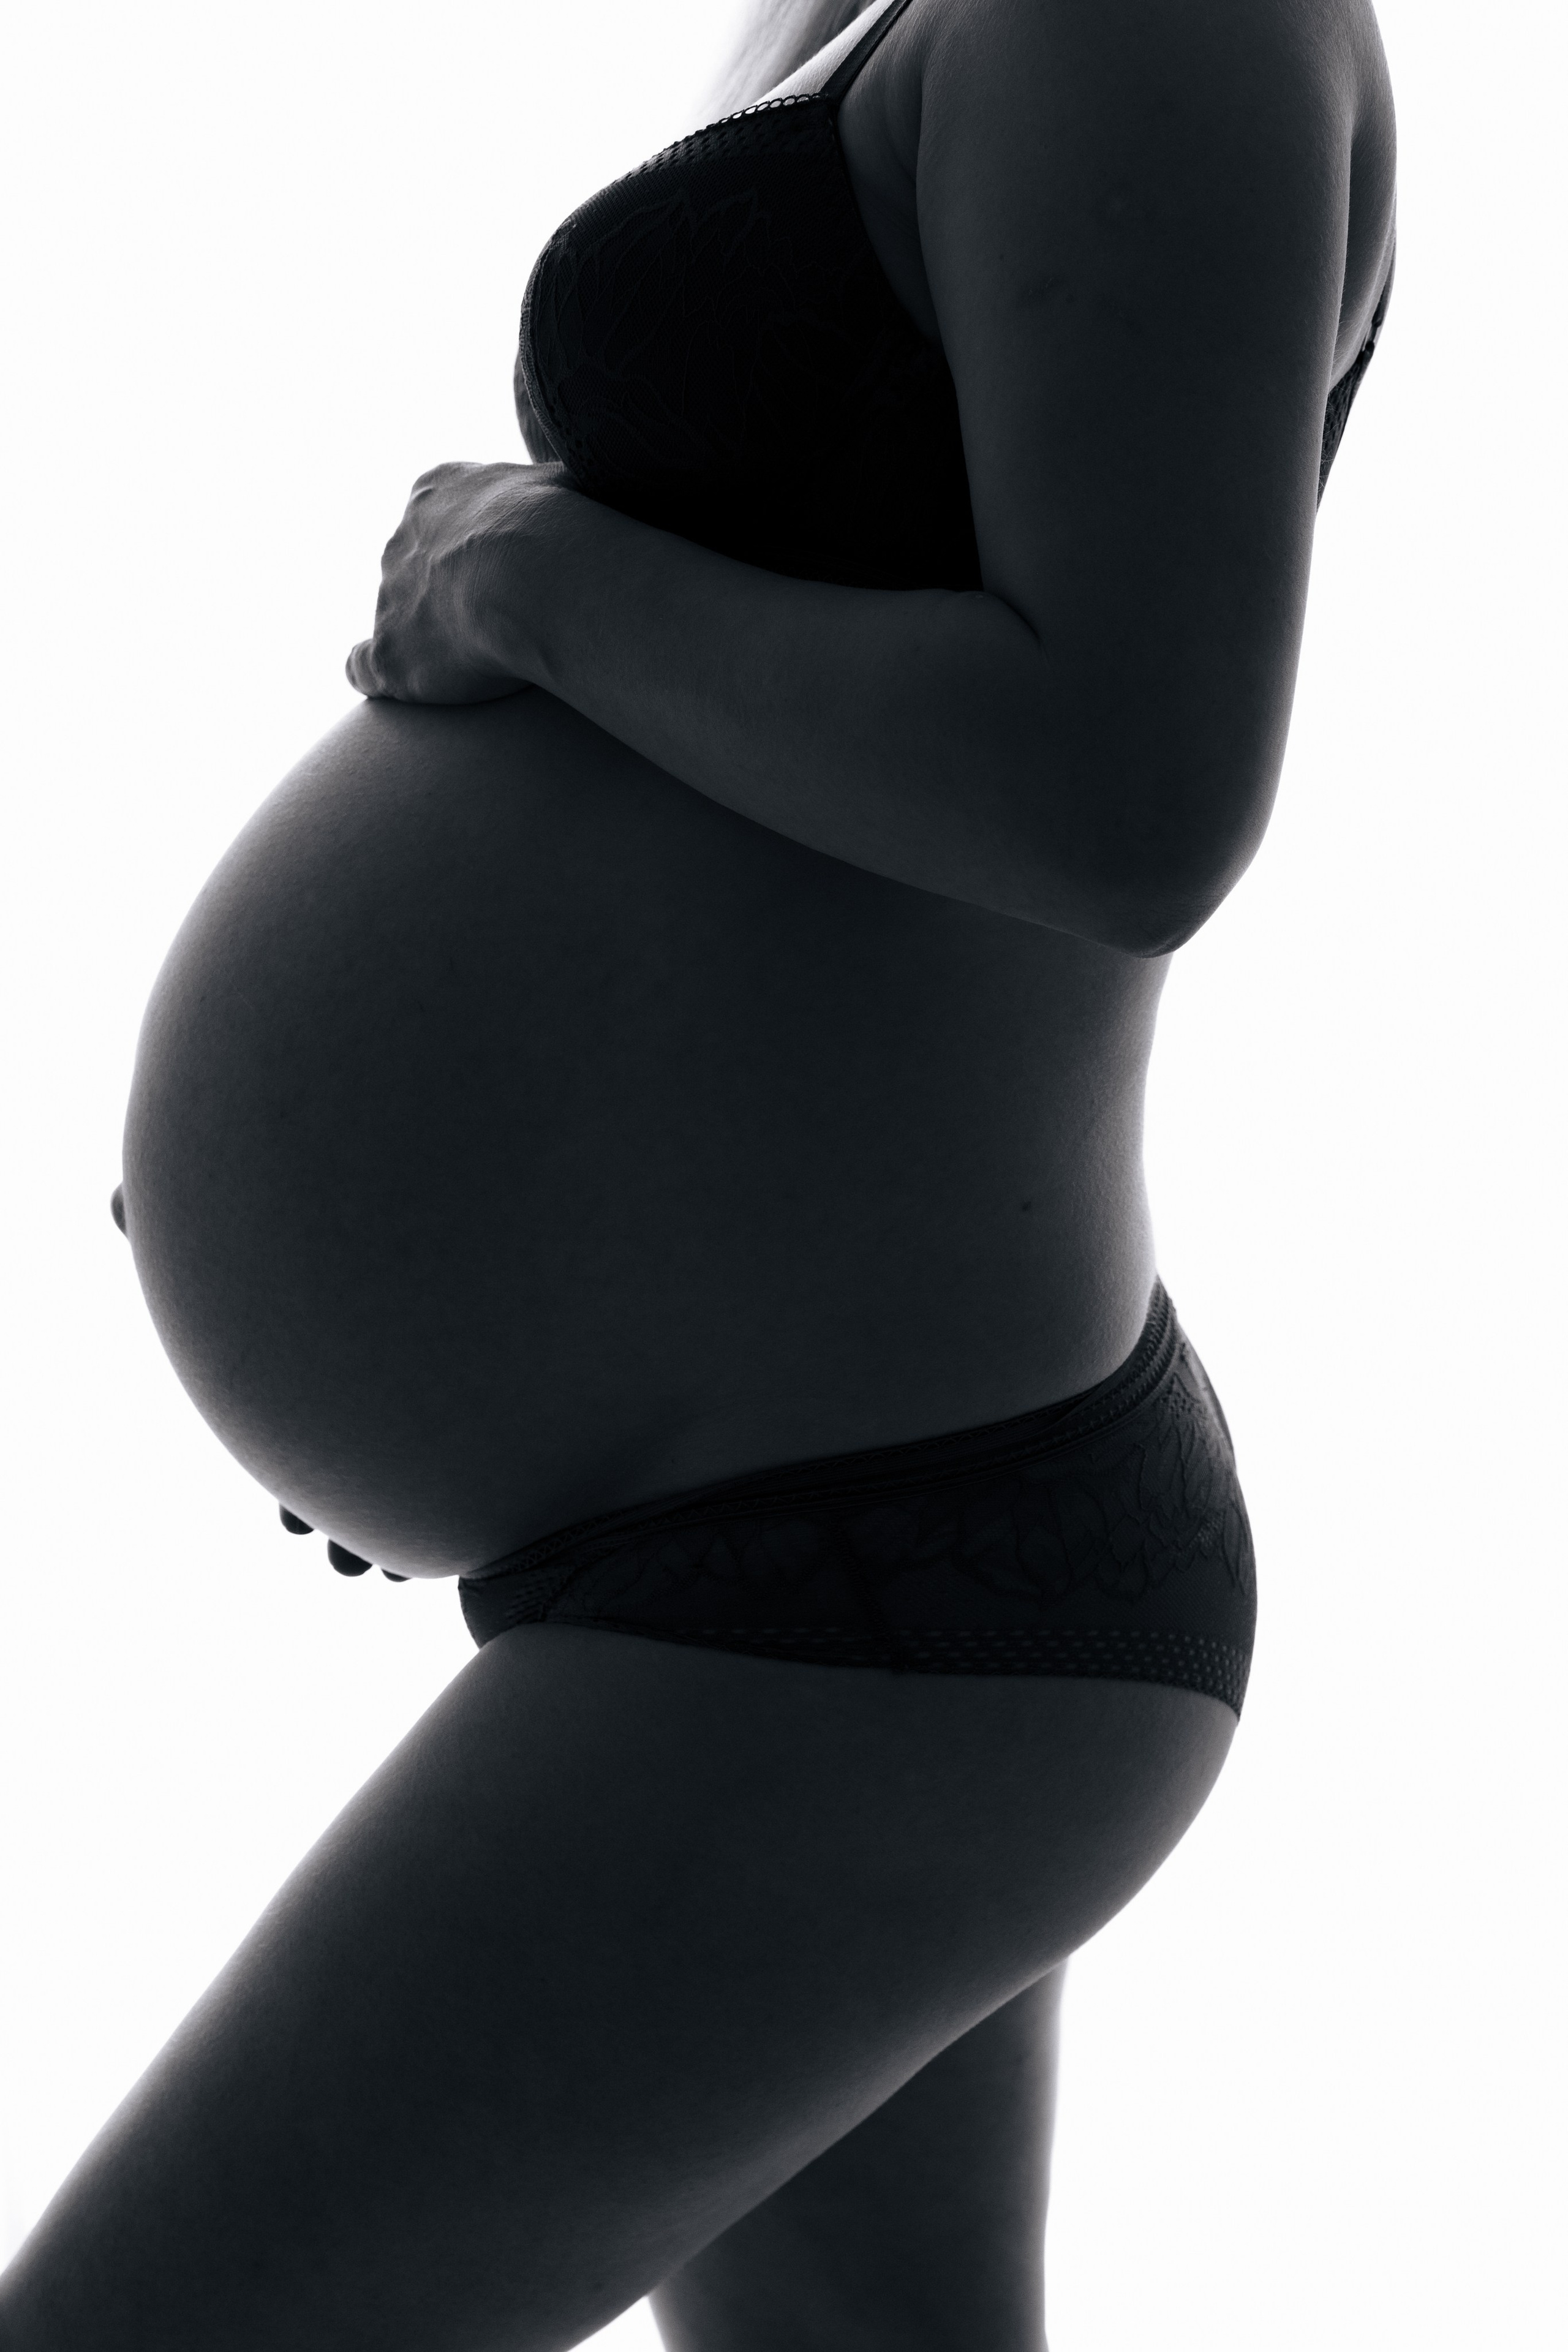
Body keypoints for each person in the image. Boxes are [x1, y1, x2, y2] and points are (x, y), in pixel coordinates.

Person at [0, 0, 1395, 2344]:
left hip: (864, 1571)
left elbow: (1126, 794)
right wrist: (407, 1268)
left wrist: (528, 583)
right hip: (786, 1541)